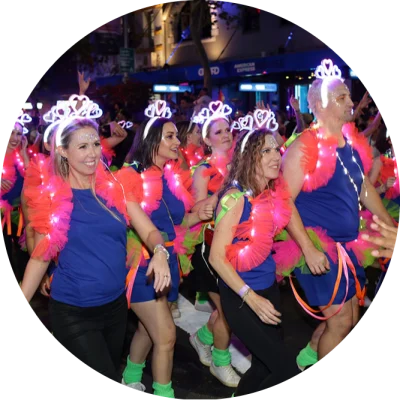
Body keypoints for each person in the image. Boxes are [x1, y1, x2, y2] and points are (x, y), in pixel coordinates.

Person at [20, 101, 171, 385]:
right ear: (62, 151)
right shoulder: (51, 200)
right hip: (73, 312)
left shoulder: (115, 189)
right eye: (82, 146)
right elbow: (39, 259)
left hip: (115, 308)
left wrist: (160, 252)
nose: (92, 153)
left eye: (94, 144)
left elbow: (149, 232)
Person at [279, 59, 399, 369]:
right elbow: (283, 200)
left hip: (349, 248)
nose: (351, 102)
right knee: (342, 320)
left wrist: (389, 224)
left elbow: (364, 190)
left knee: (350, 316)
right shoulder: (303, 147)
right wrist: (307, 248)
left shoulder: (352, 142)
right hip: (319, 249)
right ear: (320, 103)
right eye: (343, 96)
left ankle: (306, 359)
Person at [209, 110, 306, 396]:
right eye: (267, 150)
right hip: (240, 296)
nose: (277, 156)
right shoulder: (234, 198)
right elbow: (216, 258)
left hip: (267, 289)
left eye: (277, 149)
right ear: (250, 155)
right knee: (287, 369)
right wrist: (250, 297)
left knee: (264, 366)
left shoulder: (269, 194)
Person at [121, 100, 213, 399]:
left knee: (148, 331)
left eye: (177, 136)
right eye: (171, 136)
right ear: (152, 140)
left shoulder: (169, 175)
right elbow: (134, 223)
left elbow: (177, 221)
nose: (178, 142)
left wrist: (198, 214)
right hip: (142, 265)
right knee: (167, 336)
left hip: (169, 260)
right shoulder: (130, 176)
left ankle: (130, 377)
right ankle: (164, 394)